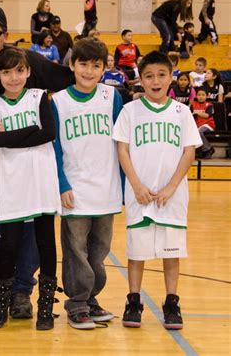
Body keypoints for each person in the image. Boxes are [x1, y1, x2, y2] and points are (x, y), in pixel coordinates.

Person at [0, 3, 73, 318]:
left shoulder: (28, 62)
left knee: (29, 233)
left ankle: (23, 291)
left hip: (28, 171)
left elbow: (71, 81)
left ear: (5, 35)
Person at [112, 51, 202, 330]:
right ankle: (133, 300)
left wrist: (172, 186)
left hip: (171, 195)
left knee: (170, 251)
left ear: (171, 76)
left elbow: (189, 151)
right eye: (148, 76)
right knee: (137, 251)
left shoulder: (182, 112)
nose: (155, 81)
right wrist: (136, 185)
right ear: (140, 78)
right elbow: (122, 150)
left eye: (161, 75)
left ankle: (171, 302)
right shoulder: (130, 111)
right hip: (140, 193)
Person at [0, 47, 60, 331]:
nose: (13, 77)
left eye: (19, 70)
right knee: (8, 246)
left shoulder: (39, 96)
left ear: (28, 72)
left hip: (41, 182)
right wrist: (30, 130)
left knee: (46, 245)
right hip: (12, 187)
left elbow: (49, 133)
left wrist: (10, 136)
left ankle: (44, 309)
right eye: (7, 72)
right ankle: (1, 306)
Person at [52, 38, 123, 330]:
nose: (90, 71)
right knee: (75, 250)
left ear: (104, 67)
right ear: (72, 65)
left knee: (99, 249)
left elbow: (122, 144)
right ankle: (77, 302)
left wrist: (123, 184)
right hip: (75, 190)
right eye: (83, 64)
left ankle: (91, 297)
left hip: (106, 188)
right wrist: (61, 183)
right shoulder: (58, 101)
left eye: (96, 65)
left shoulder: (113, 97)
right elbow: (54, 147)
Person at [192, 87, 215, 159]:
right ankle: (199, 151)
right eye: (199, 95)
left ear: (207, 96)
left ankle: (208, 149)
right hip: (197, 125)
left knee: (198, 132)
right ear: (196, 96)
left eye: (203, 95)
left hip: (208, 125)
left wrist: (197, 113)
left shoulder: (209, 105)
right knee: (193, 132)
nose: (201, 96)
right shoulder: (193, 104)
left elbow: (207, 115)